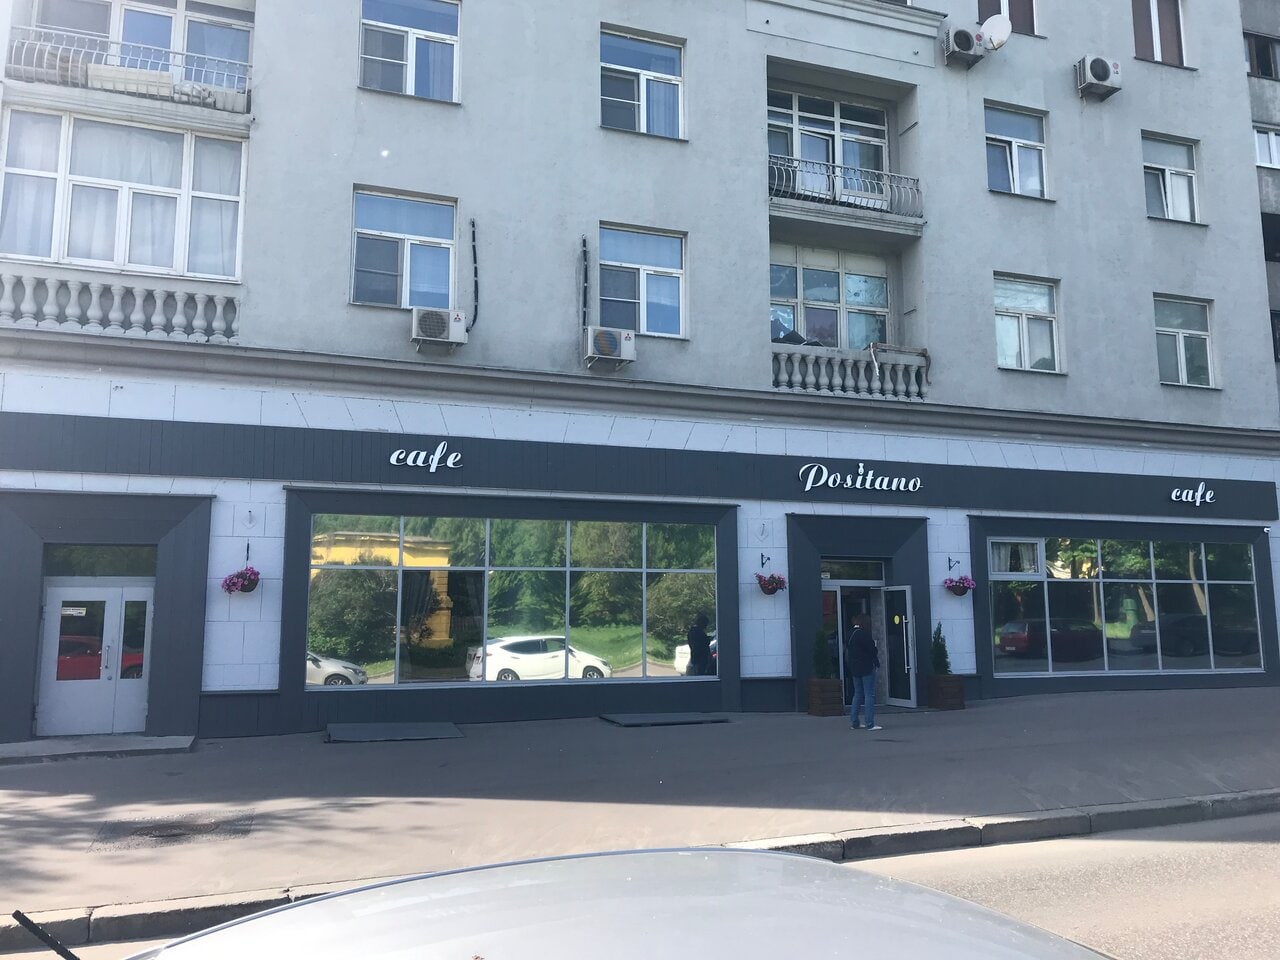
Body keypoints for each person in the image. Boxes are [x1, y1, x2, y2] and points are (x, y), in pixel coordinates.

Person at [846, 615, 881, 731]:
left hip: (855, 668)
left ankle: (854, 722)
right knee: (869, 694)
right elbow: (873, 650)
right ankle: (870, 723)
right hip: (866, 667)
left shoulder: (850, 634)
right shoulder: (864, 635)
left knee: (857, 694)